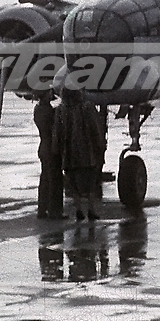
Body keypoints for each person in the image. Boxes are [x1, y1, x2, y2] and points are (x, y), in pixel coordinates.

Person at [53, 87, 106, 221]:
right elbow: (95, 128)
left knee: (73, 183)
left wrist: (57, 150)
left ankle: (78, 210)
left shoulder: (60, 110)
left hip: (69, 153)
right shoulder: (87, 107)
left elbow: (57, 132)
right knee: (91, 182)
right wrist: (100, 145)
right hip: (88, 152)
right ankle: (91, 209)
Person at [34, 91, 64, 219]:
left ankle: (42, 209)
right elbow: (56, 126)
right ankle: (55, 211)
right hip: (51, 147)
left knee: (45, 179)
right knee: (55, 180)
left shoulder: (38, 110)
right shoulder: (49, 111)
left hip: (44, 146)